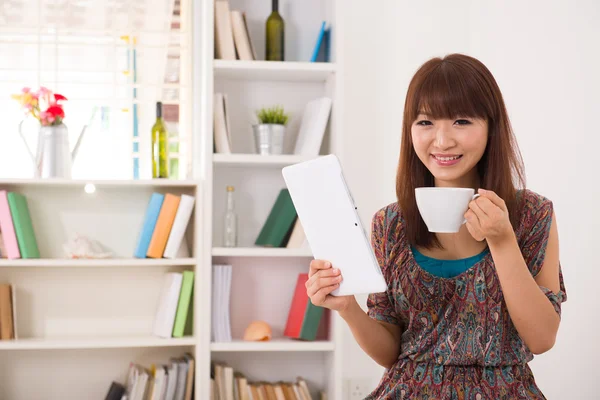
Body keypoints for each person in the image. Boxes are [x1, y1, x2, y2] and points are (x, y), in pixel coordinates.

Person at [306, 53, 567, 399]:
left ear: (491, 126)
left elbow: (542, 338)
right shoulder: (390, 224)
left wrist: (502, 240)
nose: (442, 141)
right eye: (425, 122)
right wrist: (348, 308)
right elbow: (392, 352)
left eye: (461, 121)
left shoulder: (531, 215)